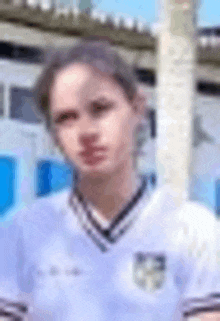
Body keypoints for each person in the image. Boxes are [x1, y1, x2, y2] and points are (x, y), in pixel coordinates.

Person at [0, 37, 220, 321]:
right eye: (66, 118)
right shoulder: (21, 233)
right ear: (53, 135)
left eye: (100, 108)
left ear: (138, 108)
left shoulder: (194, 232)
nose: (86, 131)